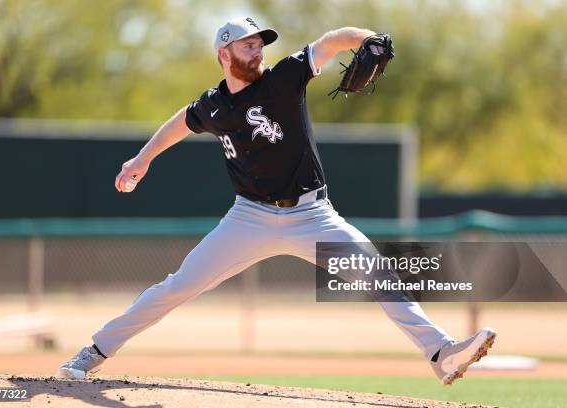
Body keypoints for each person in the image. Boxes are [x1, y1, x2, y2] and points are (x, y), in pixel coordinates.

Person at [57, 17, 495, 385]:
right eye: (247, 45)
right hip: (248, 218)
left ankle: (442, 354)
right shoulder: (213, 105)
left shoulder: (285, 78)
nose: (257, 50)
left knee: (379, 273)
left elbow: (327, 43)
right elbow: (182, 121)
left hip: (312, 214)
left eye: (259, 44)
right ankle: (94, 351)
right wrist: (142, 158)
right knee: (177, 286)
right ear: (224, 54)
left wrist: (368, 39)